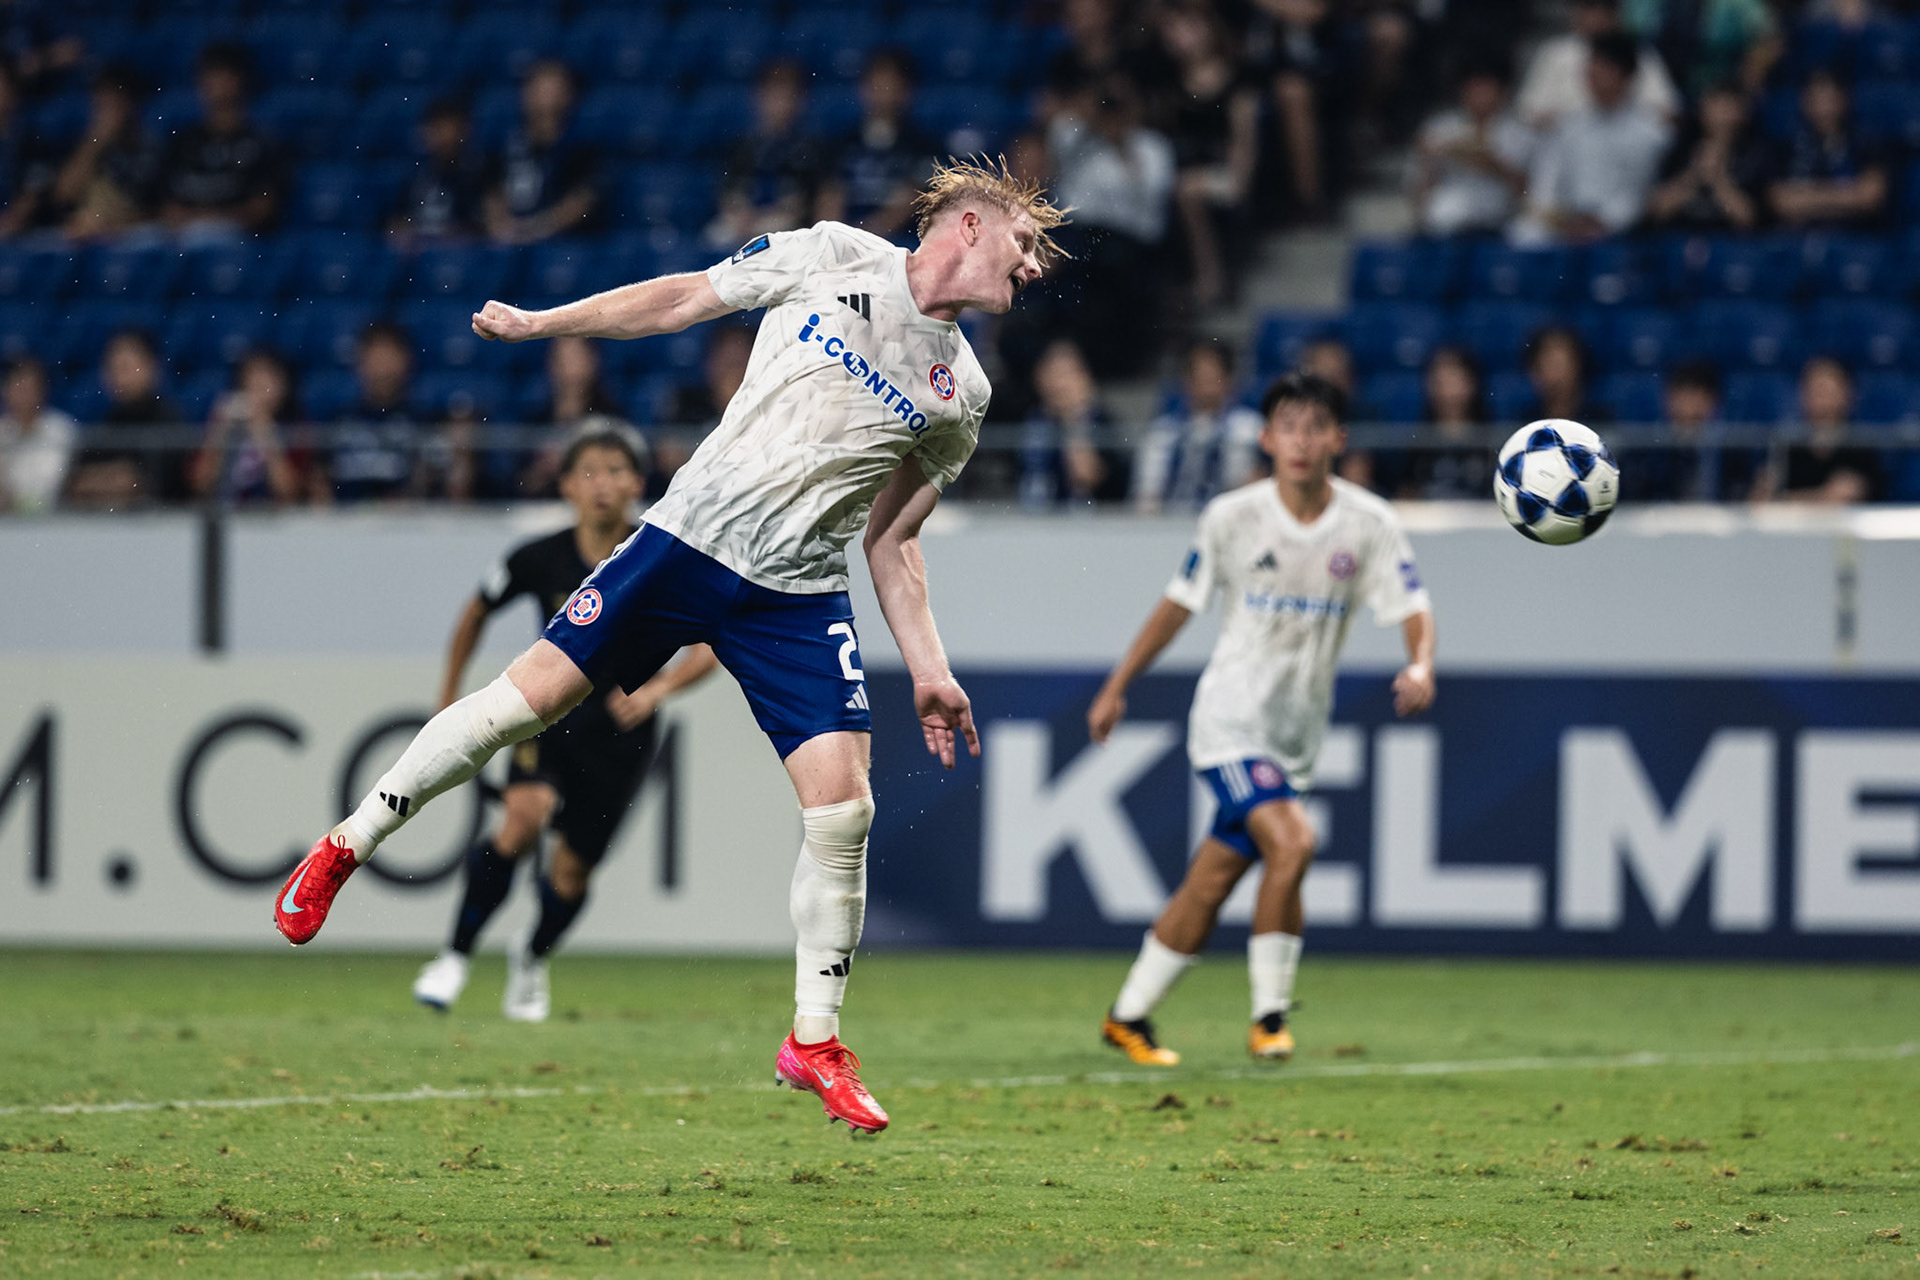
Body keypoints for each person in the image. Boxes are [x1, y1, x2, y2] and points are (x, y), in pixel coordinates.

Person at [269, 159, 1064, 1136]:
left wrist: (932, 667)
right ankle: (348, 843)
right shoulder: (830, 255)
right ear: (972, 226)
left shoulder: (964, 393)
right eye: (1027, 245)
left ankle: (814, 1037)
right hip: (687, 540)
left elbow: (891, 538)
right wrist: (540, 322)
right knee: (523, 703)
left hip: (799, 595)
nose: (1034, 269)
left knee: (845, 807)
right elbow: (684, 296)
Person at [1090, 372, 1435, 1065]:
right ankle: (1269, 1018)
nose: (1301, 441)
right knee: (1295, 842)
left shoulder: (1368, 524)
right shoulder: (1232, 517)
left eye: (1316, 427)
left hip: (1295, 737)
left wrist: (1421, 663)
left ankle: (1128, 1016)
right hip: (1229, 723)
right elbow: (1179, 602)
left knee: (1213, 880)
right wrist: (1119, 684)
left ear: (1337, 438)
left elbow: (1412, 606)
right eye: (1288, 427)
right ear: (1268, 437)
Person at [412, 428, 718, 1021]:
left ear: (637, 483)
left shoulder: (658, 559)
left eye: (615, 471)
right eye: (589, 472)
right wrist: (448, 693)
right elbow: (476, 610)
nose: (602, 485)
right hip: (548, 717)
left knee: (572, 872)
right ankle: (453, 957)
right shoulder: (539, 557)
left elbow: (708, 645)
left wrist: (657, 689)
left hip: (621, 735)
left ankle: (531, 958)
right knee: (522, 820)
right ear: (566, 486)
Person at [1511, 33, 1672, 245]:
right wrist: (1555, 216)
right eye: (1591, 66)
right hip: (1566, 224)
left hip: (1620, 232)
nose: (1592, 74)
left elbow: (1637, 196)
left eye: (1603, 68)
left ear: (1626, 77)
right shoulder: (1568, 126)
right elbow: (1548, 184)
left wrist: (1600, 223)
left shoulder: (1650, 133)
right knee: (1523, 236)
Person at [160, 42, 282, 241]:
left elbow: (263, 208)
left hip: (236, 240)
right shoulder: (184, 141)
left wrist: (211, 221)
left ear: (240, 80)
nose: (214, 84)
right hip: (183, 236)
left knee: (202, 238)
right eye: (209, 75)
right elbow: (167, 205)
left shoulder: (261, 143)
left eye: (222, 74)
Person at [814, 49, 937, 239]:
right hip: (846, 236)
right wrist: (834, 238)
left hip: (897, 241)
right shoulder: (843, 142)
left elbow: (912, 198)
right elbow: (830, 195)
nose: (883, 94)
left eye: (891, 86)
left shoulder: (922, 145)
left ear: (906, 91)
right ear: (863, 89)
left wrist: (866, 238)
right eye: (877, 86)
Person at [705, 59, 826, 252]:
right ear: (759, 98)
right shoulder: (743, 145)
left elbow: (804, 203)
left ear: (799, 100)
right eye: (773, 95)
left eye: (786, 96)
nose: (779, 103)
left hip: (785, 222)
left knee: (773, 236)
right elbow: (729, 191)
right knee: (714, 236)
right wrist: (740, 214)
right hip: (744, 219)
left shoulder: (811, 148)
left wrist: (764, 218)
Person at [1133, 339, 1265, 513]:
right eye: (1198, 377)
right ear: (1186, 381)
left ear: (1229, 380)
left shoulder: (1249, 427)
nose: (1205, 386)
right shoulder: (1163, 431)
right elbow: (1147, 494)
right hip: (1169, 524)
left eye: (1212, 377)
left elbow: (1252, 487)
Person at [1409, 57, 1533, 238]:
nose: (1480, 96)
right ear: (1463, 91)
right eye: (1474, 88)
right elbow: (1420, 194)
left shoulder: (1520, 133)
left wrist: (1494, 165)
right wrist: (1427, 161)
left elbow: (1528, 193)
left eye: (1486, 89)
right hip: (1446, 224)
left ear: (1502, 92)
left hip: (1500, 222)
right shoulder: (1440, 127)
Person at [1515, 0, 1680, 132]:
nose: (1598, 16)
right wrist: (1577, 123)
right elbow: (1528, 114)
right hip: (1563, 146)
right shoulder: (1554, 54)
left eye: (1607, 8)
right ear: (1576, 11)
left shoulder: (1641, 56)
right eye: (1590, 6)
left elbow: (1668, 115)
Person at [483, 60, 599, 246]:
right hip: (508, 241)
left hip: (562, 243)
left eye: (553, 90)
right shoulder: (505, 144)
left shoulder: (581, 147)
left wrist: (539, 228)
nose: (545, 98)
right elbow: (490, 191)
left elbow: (584, 199)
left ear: (568, 95)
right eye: (538, 89)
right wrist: (500, 226)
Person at [65, 329, 184, 510]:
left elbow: (143, 483)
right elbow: (76, 483)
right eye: (113, 367)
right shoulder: (104, 423)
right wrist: (117, 478)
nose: (119, 376)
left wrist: (106, 481)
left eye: (126, 366)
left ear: (151, 367)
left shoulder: (170, 422)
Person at [1763, 68, 1888, 231]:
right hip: (1796, 241)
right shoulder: (1786, 145)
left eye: (1830, 100)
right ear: (1804, 102)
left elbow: (1869, 197)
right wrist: (1849, 193)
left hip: (1855, 240)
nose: (1824, 109)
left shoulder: (1867, 142)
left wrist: (1805, 196)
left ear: (1844, 99)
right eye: (1817, 101)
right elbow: (1782, 202)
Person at [47, 64, 161, 241]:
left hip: (134, 236)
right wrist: (97, 141)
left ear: (131, 104)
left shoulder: (150, 148)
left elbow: (156, 209)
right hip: (90, 233)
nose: (107, 111)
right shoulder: (89, 144)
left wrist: (114, 225)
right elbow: (63, 194)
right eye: (102, 103)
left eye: (115, 102)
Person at [1752, 356, 1883, 504]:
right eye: (1812, 387)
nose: (1819, 395)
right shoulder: (1785, 447)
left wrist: (1786, 501)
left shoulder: (1861, 449)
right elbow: (1760, 503)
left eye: (1826, 388)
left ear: (1847, 393)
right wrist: (1824, 494)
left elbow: (1844, 500)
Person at [1018, 338, 1127, 508]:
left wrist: (1074, 417)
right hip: (1035, 516)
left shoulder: (1100, 420)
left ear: (1083, 378)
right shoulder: (1035, 419)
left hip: (1087, 522)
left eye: (1065, 375)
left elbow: (1084, 476)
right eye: (1051, 374)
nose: (1058, 384)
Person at [189, 349, 305, 507]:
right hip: (227, 514)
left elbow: (288, 492)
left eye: (267, 381)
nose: (258, 388)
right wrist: (218, 431)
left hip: (275, 522)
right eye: (252, 380)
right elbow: (200, 484)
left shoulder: (295, 427)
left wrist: (264, 432)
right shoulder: (225, 421)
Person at [1646, 82, 1767, 232]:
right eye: (1717, 105)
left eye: (1729, 107)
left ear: (1743, 112)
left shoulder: (1755, 153)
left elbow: (1748, 219)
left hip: (1733, 243)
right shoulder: (1682, 148)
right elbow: (1658, 210)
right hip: (1680, 237)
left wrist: (1717, 180)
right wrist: (1694, 175)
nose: (1723, 116)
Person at [322, 321, 420, 505]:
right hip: (342, 523)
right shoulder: (338, 421)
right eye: (375, 354)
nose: (382, 365)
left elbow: (425, 485)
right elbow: (319, 479)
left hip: (405, 525)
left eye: (389, 355)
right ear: (360, 361)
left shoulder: (421, 422)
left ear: (406, 360)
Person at [1396, 345, 1494, 501]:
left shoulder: (1491, 440)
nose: (1449, 391)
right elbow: (1406, 495)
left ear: (1472, 383)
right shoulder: (1418, 443)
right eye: (1441, 381)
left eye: (1455, 380)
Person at [391, 97, 486, 244]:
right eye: (437, 129)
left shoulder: (479, 175)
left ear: (464, 130)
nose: (444, 137)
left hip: (463, 257)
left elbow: (485, 227)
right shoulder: (415, 177)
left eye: (449, 128)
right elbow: (396, 222)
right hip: (419, 256)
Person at [0, 355, 75, 513]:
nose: (23, 396)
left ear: (42, 390)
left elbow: (61, 482)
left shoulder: (63, 431)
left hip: (55, 518)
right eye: (18, 387)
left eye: (29, 388)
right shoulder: (2, 432)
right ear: (6, 390)